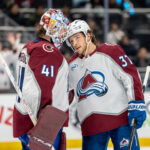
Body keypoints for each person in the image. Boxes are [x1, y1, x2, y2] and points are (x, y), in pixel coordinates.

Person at [66, 20, 146, 150]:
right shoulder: (70, 66)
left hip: (121, 119)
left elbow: (130, 76)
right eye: (71, 40)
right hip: (92, 125)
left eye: (77, 38)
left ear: (88, 35)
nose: (74, 43)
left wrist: (137, 103)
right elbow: (65, 94)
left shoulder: (111, 51)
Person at [13, 9, 69, 150]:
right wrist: (42, 128)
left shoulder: (31, 46)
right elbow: (42, 90)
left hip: (25, 117)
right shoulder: (47, 51)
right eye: (61, 28)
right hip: (42, 123)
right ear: (53, 27)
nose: (64, 34)